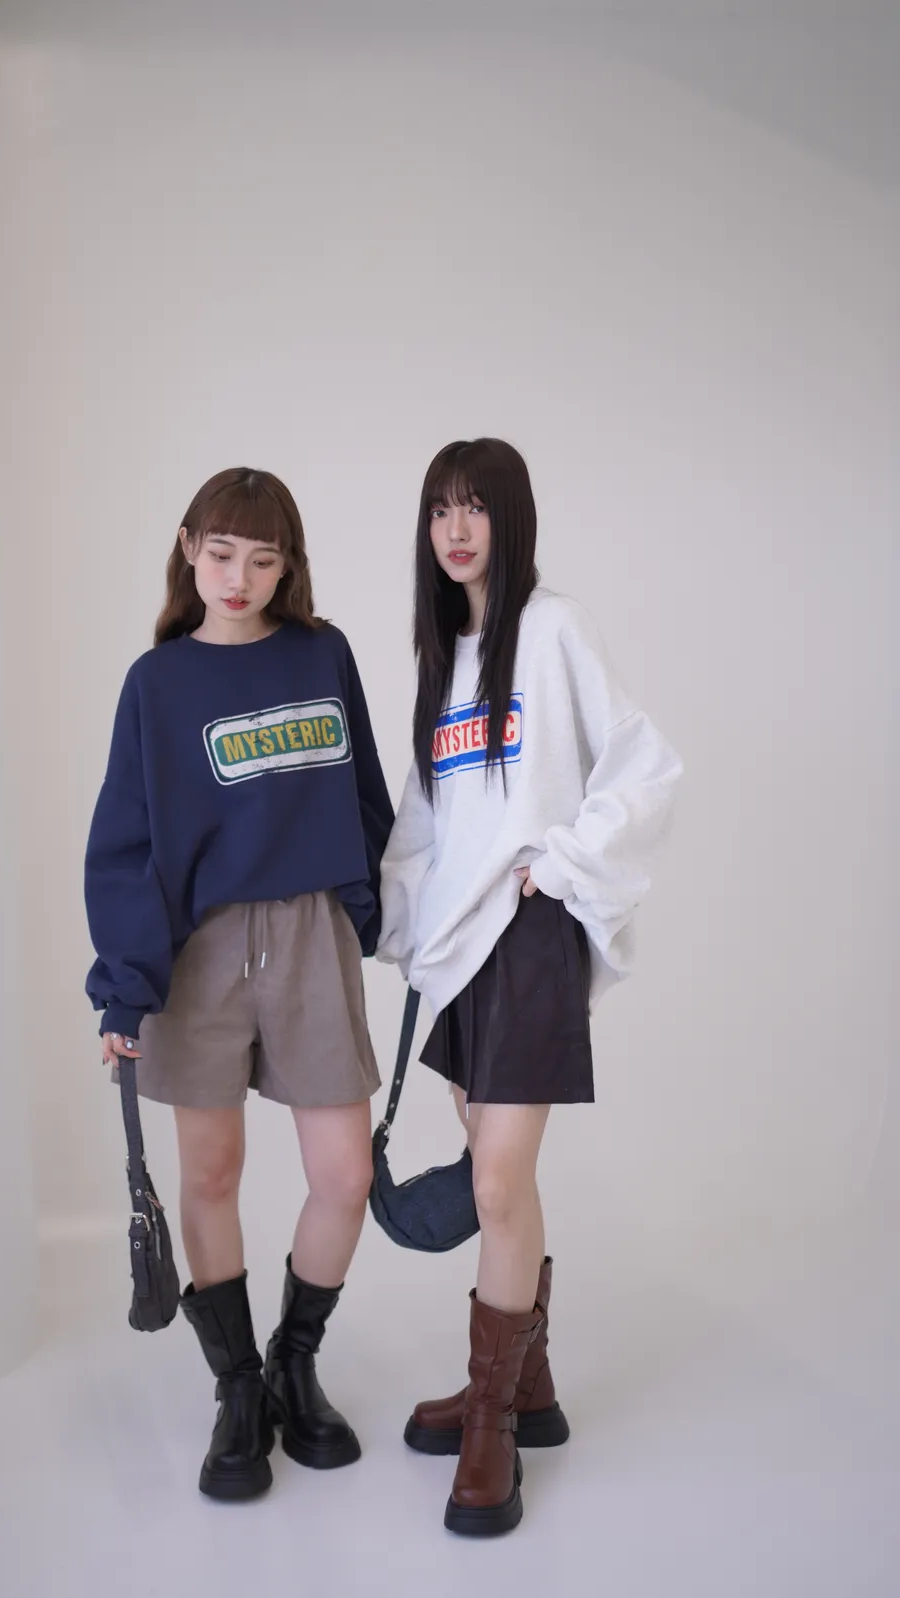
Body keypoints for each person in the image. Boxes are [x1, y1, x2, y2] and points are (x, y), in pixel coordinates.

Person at [377, 438, 681, 1537]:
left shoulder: (552, 630)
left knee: (498, 1182)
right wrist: (403, 930)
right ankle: (527, 1385)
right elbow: (426, 822)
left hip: (526, 935)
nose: (456, 529)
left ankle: (491, 1421)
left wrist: (559, 865)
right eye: (439, 510)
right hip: (463, 948)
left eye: (476, 507)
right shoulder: (441, 658)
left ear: (510, 517)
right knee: (498, 1176)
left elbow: (644, 763)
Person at [84, 467, 393, 1502]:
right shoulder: (157, 683)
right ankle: (238, 1390)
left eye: (263, 559)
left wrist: (374, 913)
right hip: (200, 948)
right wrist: (125, 986)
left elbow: (365, 794)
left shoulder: (322, 653)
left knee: (344, 1172)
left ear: (288, 566)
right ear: (188, 547)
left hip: (310, 933)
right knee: (210, 1173)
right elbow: (127, 842)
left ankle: (295, 1362)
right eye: (221, 553)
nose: (239, 577)